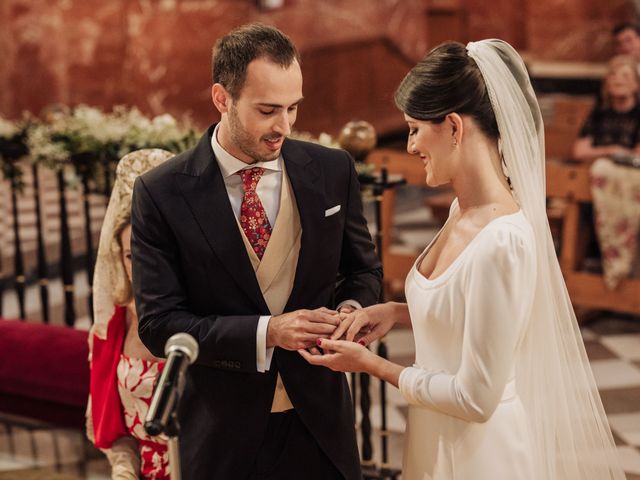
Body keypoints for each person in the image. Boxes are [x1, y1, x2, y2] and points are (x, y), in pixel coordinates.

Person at [301, 40, 625, 479]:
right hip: (435, 434)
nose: (411, 144)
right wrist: (395, 312)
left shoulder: (501, 241)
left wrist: (370, 365)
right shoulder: (461, 211)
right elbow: (465, 312)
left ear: (454, 126)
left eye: (415, 128)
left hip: (479, 454)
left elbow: (477, 398)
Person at [130, 23, 381, 480]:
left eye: (292, 108)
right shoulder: (161, 192)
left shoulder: (332, 169)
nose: (284, 126)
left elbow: (363, 271)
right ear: (222, 99)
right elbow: (158, 325)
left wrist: (351, 311)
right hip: (222, 434)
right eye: (268, 110)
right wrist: (268, 332)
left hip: (322, 426)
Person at [87, 148, 175, 479]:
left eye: (153, 256)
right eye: (130, 257)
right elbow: (116, 429)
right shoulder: (114, 324)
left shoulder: (209, 317)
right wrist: (124, 468)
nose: (140, 270)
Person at [573, 54, 640, 162]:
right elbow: (580, 152)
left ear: (636, 84)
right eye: (613, 75)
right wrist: (612, 151)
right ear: (607, 83)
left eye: (625, 76)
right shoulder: (599, 112)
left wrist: (599, 153)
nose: (618, 80)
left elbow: (637, 157)